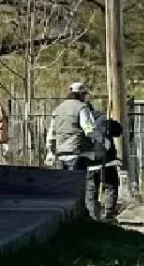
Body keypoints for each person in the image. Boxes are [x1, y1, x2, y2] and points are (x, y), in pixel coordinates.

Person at [45, 81, 102, 219]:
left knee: (66, 187)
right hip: (79, 152)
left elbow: (51, 134)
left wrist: (51, 151)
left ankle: (67, 215)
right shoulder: (82, 108)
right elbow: (89, 130)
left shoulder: (58, 109)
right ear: (82, 95)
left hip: (62, 154)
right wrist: (101, 139)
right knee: (81, 187)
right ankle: (81, 216)